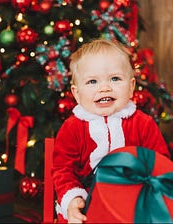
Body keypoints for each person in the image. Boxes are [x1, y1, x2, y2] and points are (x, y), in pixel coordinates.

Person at [52, 38, 170, 223]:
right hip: (87, 202)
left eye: (115, 79)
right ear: (76, 94)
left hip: (134, 200)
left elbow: (160, 165)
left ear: (131, 87)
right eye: (92, 81)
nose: (104, 87)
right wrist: (73, 199)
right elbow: (63, 170)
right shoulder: (72, 128)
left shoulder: (143, 123)